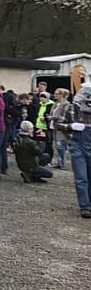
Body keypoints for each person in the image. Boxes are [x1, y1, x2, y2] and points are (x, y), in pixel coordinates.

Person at [51, 83, 91, 218]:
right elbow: (57, 124)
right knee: (81, 177)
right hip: (78, 145)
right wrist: (71, 126)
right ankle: (85, 206)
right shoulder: (72, 108)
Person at [49, 88, 72, 169]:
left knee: (60, 146)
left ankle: (62, 164)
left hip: (61, 128)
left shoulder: (67, 104)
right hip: (54, 126)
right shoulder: (55, 103)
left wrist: (52, 117)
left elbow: (65, 117)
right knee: (56, 146)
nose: (55, 95)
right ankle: (59, 162)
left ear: (63, 95)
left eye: (57, 94)